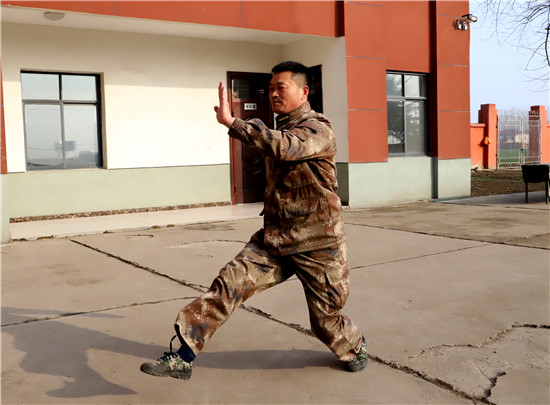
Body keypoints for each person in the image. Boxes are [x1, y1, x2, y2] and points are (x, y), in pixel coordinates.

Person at [140, 61, 367, 380]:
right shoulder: (279, 128)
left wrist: (233, 123)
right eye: (270, 88)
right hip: (276, 240)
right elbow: (275, 142)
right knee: (228, 285)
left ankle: (355, 346)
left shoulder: (318, 129)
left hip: (318, 243)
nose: (273, 94)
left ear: (303, 92)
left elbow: (284, 147)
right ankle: (183, 358)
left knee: (325, 320)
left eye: (280, 87)